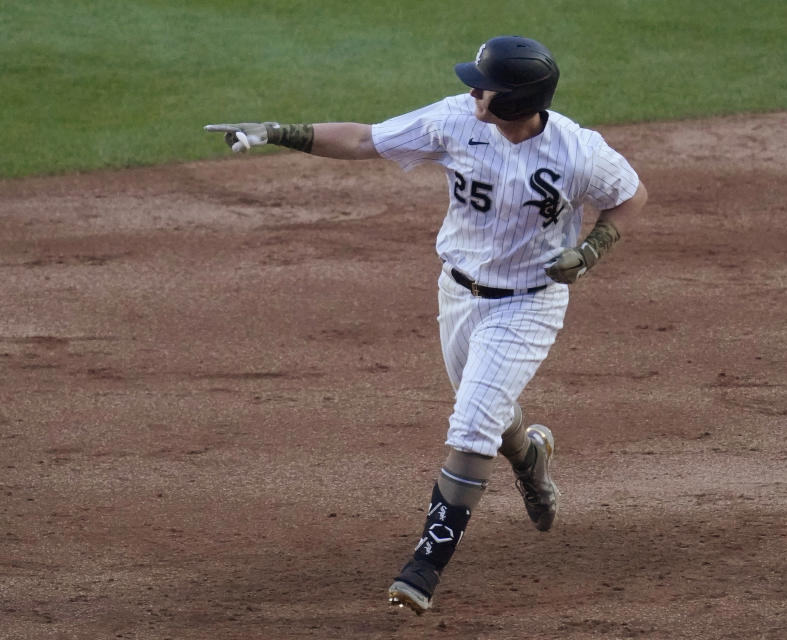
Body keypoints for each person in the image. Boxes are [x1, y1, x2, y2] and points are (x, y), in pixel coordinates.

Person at [205, 35, 647, 614]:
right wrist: (278, 132)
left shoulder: (578, 151)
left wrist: (592, 250)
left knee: (469, 425)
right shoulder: (454, 120)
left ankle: (424, 566)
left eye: (485, 83)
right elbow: (366, 139)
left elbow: (631, 196)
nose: (473, 89)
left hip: (528, 304)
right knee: (486, 408)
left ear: (516, 100)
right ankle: (531, 456)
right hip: (457, 295)